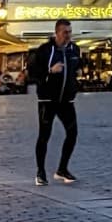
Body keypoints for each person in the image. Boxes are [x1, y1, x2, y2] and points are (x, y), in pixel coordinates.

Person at [28, 19, 82, 182]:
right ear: (57, 33)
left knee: (72, 133)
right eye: (65, 32)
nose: (68, 35)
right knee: (44, 135)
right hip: (48, 99)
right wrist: (49, 71)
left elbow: (78, 65)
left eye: (70, 32)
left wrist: (77, 75)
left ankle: (62, 169)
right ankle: (40, 172)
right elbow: (33, 73)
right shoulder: (45, 50)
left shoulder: (74, 49)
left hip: (67, 100)